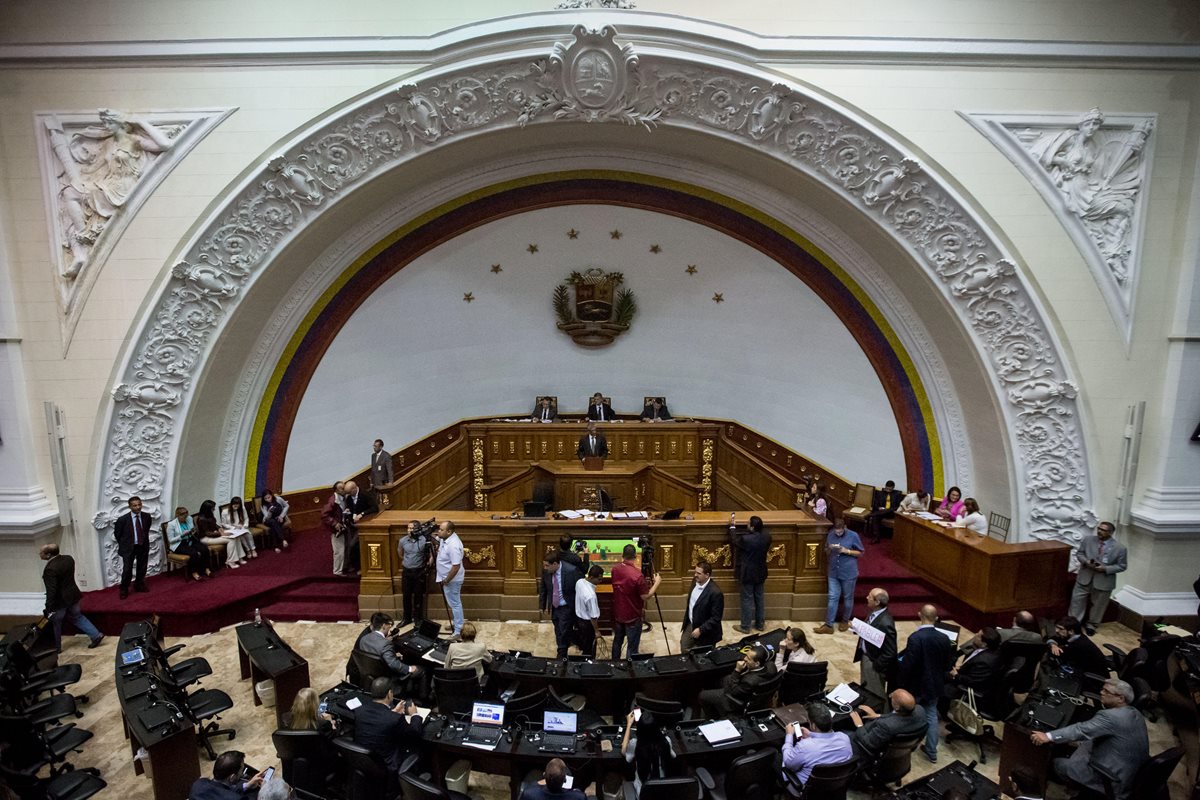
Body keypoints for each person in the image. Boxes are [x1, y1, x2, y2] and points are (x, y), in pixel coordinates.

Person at [1030, 678, 1148, 799]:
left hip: (1111, 779)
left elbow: (1080, 730)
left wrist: (1048, 736)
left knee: (1057, 764)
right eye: (1103, 689)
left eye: (1107, 692)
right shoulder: (1135, 713)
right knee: (1074, 742)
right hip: (1126, 770)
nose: (1101, 693)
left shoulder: (1111, 717)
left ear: (1121, 698)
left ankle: (1075, 788)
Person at [898, 604, 953, 763]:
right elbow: (948, 665)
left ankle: (902, 747)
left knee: (905, 714)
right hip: (934, 685)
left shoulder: (915, 638)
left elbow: (908, 665)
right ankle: (931, 752)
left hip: (916, 685)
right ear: (936, 618)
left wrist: (900, 684)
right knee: (931, 716)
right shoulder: (944, 638)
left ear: (919, 615)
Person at [353, 677, 425, 780]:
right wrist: (414, 714)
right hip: (388, 766)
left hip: (365, 763)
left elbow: (378, 720)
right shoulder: (395, 719)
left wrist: (393, 712)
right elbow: (414, 733)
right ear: (389, 693)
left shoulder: (360, 711)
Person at [40, 544, 104, 651]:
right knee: (77, 617)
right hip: (73, 595)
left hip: (60, 601)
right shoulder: (68, 559)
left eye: (41, 552)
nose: (40, 554)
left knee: (56, 623)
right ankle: (96, 635)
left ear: (48, 555)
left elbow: (52, 591)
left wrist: (49, 607)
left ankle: (56, 648)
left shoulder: (50, 569)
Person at [780, 703, 853, 795]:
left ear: (813, 726)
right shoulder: (844, 738)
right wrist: (811, 735)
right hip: (835, 786)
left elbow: (789, 764)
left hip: (805, 791)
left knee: (776, 755)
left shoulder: (805, 746)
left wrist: (789, 735)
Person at [1068, 520, 1127, 635]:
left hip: (1103, 580)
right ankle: (1073, 624)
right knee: (1076, 602)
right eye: (1099, 529)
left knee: (1098, 605)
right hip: (1084, 577)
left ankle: (1092, 625)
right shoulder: (1088, 540)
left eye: (1103, 530)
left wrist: (1105, 569)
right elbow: (1080, 553)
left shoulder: (1120, 548)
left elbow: (1122, 566)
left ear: (1110, 533)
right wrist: (1086, 562)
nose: (1099, 531)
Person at [813, 516, 863, 635]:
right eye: (836, 531)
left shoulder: (853, 535)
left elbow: (861, 552)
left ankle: (845, 620)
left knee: (847, 598)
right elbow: (826, 550)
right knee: (833, 597)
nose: (838, 533)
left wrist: (847, 551)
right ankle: (829, 625)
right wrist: (829, 549)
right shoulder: (830, 534)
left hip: (848, 572)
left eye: (840, 531)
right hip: (833, 571)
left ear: (844, 528)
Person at [610, 544, 661, 659]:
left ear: (622, 555)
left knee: (617, 642)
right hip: (633, 616)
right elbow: (645, 596)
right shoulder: (637, 575)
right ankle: (630, 670)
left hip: (618, 613)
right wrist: (657, 582)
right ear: (636, 556)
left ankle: (614, 663)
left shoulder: (614, 569)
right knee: (632, 648)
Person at [848, 688, 926, 761]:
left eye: (893, 698)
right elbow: (896, 716)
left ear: (897, 707)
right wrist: (878, 715)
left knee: (843, 733)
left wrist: (859, 725)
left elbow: (868, 743)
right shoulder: (920, 711)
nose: (890, 696)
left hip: (870, 749)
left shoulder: (886, 726)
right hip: (895, 752)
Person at [699, 644, 774, 718]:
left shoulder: (750, 682)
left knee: (703, 695)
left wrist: (737, 670)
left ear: (757, 663)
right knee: (720, 680)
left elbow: (733, 691)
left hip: (734, 700)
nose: (744, 659)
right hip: (747, 690)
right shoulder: (771, 667)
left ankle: (712, 718)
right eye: (746, 655)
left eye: (748, 658)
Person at [620, 710, 679, 795]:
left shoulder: (635, 744)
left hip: (643, 792)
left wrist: (629, 724)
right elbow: (673, 756)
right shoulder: (666, 742)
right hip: (663, 791)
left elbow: (623, 751)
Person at [730, 513, 771, 634]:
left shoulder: (746, 539)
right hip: (761, 571)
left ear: (752, 527)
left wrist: (732, 527)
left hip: (748, 573)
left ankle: (745, 626)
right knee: (759, 598)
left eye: (749, 524)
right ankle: (760, 624)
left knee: (747, 599)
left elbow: (734, 540)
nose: (747, 525)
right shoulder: (767, 537)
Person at [854, 587, 896, 699]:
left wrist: (876, 665)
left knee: (875, 694)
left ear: (877, 602)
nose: (866, 597)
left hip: (873, 662)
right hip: (866, 655)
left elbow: (891, 652)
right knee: (866, 688)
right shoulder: (874, 613)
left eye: (870, 596)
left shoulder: (885, 623)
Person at [357, 612, 422, 682]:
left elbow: (374, 651)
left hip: (371, 673)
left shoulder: (363, 639)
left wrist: (390, 651)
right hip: (386, 677)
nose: (390, 627)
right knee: (421, 670)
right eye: (389, 625)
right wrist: (409, 668)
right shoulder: (386, 644)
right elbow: (394, 664)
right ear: (384, 625)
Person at [540, 552, 580, 658]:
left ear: (555, 564)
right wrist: (542, 605)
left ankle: (561, 654)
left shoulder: (571, 570)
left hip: (566, 607)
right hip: (554, 606)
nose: (545, 568)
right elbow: (543, 588)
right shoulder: (546, 571)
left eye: (547, 565)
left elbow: (577, 590)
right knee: (558, 629)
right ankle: (562, 648)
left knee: (564, 630)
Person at [113, 495, 153, 599]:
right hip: (128, 548)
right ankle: (124, 589)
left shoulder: (147, 516)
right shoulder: (122, 519)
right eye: (135, 505)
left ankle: (139, 584)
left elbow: (146, 530)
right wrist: (125, 544)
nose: (138, 507)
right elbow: (118, 534)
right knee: (127, 569)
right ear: (130, 507)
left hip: (142, 546)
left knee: (142, 567)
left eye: (139, 504)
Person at [946, 627, 1003, 700]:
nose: (975, 635)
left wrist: (956, 675)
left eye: (978, 636)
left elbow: (973, 681)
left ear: (984, 644)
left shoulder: (983, 662)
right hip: (963, 673)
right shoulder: (984, 649)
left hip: (963, 686)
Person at [680, 560, 724, 651]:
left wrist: (701, 629)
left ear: (707, 575)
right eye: (695, 572)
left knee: (702, 655)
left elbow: (716, 618)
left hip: (706, 631)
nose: (695, 575)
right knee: (684, 646)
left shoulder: (716, 593)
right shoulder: (695, 581)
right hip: (691, 624)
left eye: (698, 573)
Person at [189, 750, 267, 800]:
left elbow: (222, 792)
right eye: (241, 770)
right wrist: (264, 791)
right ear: (232, 777)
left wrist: (246, 786)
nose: (242, 773)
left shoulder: (198, 784)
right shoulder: (236, 798)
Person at [195, 499, 249, 568]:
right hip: (205, 538)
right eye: (212, 508)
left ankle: (240, 557)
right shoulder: (201, 519)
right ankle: (230, 561)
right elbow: (207, 533)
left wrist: (219, 528)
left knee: (236, 536)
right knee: (231, 540)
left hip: (214, 535)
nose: (214, 509)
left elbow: (214, 524)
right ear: (207, 509)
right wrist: (221, 533)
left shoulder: (209, 514)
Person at [398, 519, 432, 626]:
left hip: (419, 572)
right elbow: (400, 553)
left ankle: (418, 619)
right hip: (407, 572)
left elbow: (431, 554)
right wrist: (407, 561)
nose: (409, 530)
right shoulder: (403, 540)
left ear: (418, 529)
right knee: (406, 595)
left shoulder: (424, 540)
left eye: (412, 528)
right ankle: (406, 618)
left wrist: (429, 564)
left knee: (418, 596)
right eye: (408, 528)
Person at [435, 520, 465, 638]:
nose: (439, 532)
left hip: (452, 580)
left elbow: (456, 566)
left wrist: (447, 580)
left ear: (449, 531)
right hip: (446, 578)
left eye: (441, 530)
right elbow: (437, 539)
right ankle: (457, 623)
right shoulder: (445, 538)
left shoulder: (453, 545)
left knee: (455, 604)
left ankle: (458, 630)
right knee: (453, 603)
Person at [167, 506, 212, 581]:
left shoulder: (189, 518)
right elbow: (171, 540)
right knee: (193, 553)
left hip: (190, 539)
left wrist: (193, 531)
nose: (185, 519)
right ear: (178, 516)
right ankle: (194, 572)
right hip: (179, 543)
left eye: (186, 517)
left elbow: (192, 529)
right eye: (183, 517)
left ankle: (206, 569)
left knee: (204, 549)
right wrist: (181, 535)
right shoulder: (171, 524)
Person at [343, 480, 378, 575]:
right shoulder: (349, 497)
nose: (348, 495)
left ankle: (361, 567)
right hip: (353, 525)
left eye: (349, 492)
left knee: (353, 545)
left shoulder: (365, 494)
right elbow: (349, 508)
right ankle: (355, 566)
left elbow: (375, 508)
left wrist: (362, 514)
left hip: (364, 525)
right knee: (352, 546)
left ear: (354, 489)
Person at [518, 757, 587, 800]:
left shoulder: (528, 794)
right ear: (565, 780)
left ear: (544, 776)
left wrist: (537, 784)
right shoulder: (579, 797)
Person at [575, 564, 603, 657]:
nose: (600, 581)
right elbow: (593, 617)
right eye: (598, 579)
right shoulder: (591, 596)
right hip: (588, 625)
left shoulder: (579, 581)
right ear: (591, 577)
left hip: (579, 620)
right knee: (590, 649)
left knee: (584, 644)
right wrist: (596, 631)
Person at [320, 481, 347, 576]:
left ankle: (343, 567)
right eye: (341, 488)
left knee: (343, 549)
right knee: (339, 550)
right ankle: (337, 571)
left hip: (343, 527)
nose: (344, 490)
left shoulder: (343, 497)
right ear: (336, 490)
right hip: (337, 529)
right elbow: (324, 515)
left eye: (344, 487)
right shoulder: (333, 501)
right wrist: (334, 523)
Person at [219, 496, 259, 560]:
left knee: (248, 534)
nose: (236, 507)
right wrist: (233, 527)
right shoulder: (225, 512)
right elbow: (223, 524)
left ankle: (253, 549)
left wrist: (245, 525)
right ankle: (248, 550)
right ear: (231, 504)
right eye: (234, 505)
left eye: (237, 505)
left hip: (241, 527)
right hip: (231, 529)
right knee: (241, 536)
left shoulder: (242, 508)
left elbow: (246, 518)